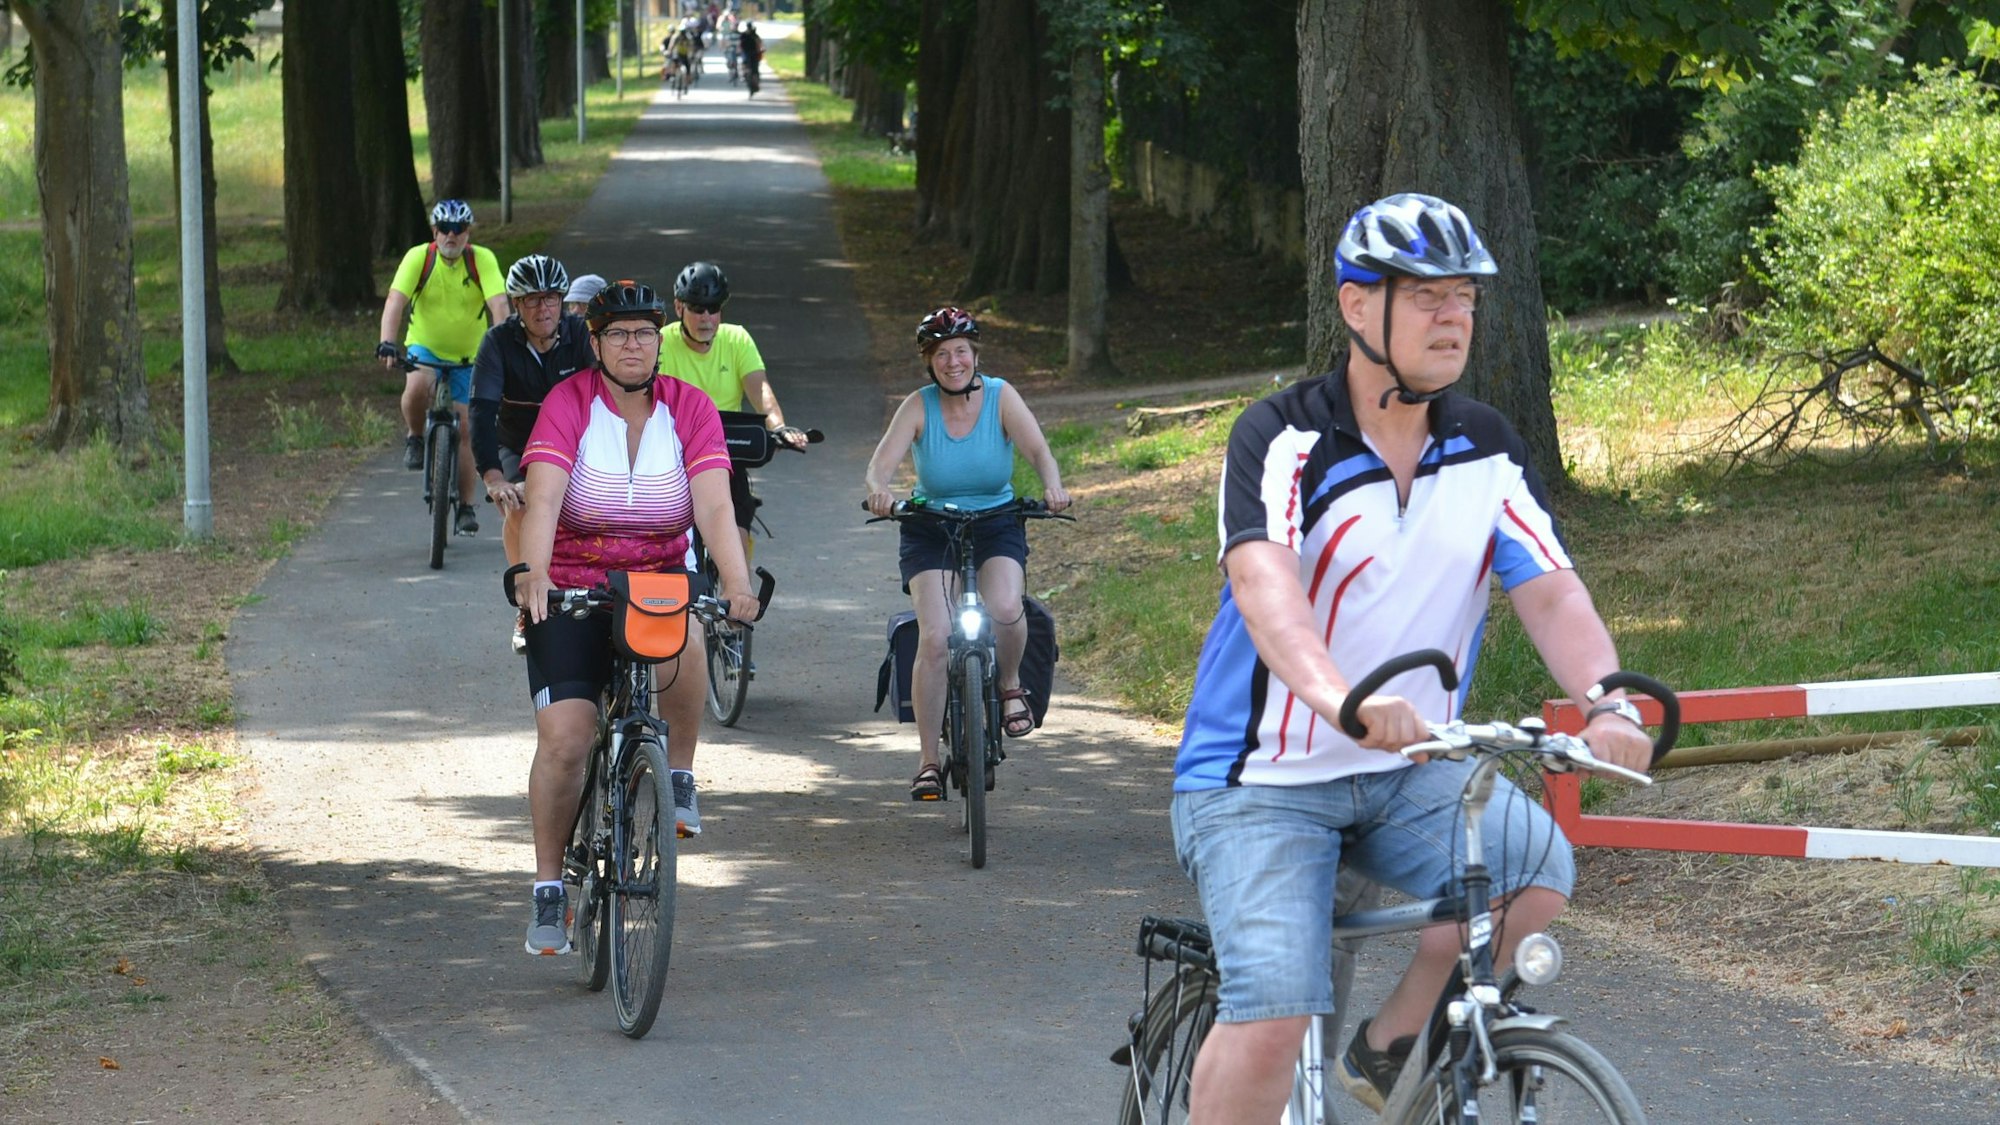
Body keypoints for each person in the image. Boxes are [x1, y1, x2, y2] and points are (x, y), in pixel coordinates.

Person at [1167, 193, 1654, 1123]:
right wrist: (1343, 700)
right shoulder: (1283, 438)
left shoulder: (1487, 448)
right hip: (1257, 779)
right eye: (1427, 295)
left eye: (1465, 296)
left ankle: (1391, 1041)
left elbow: (1552, 592)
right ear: (1357, 305)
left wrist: (1608, 701)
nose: (1453, 315)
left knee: (1534, 868)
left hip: (1408, 767)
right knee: (1274, 1014)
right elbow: (1267, 593)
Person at [513, 280, 761, 955]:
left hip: (657, 575)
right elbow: (544, 499)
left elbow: (714, 506)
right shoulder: (568, 403)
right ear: (594, 344)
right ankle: (548, 888)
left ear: (660, 342)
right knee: (567, 739)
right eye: (618, 334)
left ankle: (677, 774)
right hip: (574, 583)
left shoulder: (690, 407)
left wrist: (738, 584)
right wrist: (534, 573)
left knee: (688, 634)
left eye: (645, 334)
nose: (633, 345)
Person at [863, 307, 1071, 801]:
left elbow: (1038, 451)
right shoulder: (918, 406)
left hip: (996, 521)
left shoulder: (1001, 396)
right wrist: (880, 493)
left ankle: (1010, 685)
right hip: (931, 527)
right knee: (936, 636)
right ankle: (928, 761)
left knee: (1006, 607)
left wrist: (1053, 485)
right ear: (929, 362)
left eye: (960, 351)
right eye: (941, 354)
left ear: (975, 356)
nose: (952, 362)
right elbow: (879, 466)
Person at [658, 261, 808, 560]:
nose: (706, 317)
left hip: (725, 458)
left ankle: (737, 588)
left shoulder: (737, 339)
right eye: (697, 308)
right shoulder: (661, 342)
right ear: (678, 307)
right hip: (673, 460)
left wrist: (779, 428)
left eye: (713, 308)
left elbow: (760, 391)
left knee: (735, 547)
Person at [377, 200, 510, 536]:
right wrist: (387, 341)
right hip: (425, 347)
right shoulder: (419, 258)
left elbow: (499, 305)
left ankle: (465, 506)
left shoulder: (481, 260)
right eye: (445, 229)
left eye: (459, 229)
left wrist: (504, 349)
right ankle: (415, 437)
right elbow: (395, 300)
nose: (452, 235)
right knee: (416, 388)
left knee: (467, 428)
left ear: (468, 233)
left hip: (470, 356)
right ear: (435, 232)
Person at [470, 254, 596, 577]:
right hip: (518, 446)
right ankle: (524, 588)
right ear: (516, 304)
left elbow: (608, 396)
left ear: (562, 300)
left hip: (576, 446)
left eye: (551, 298)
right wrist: (494, 479)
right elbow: (482, 412)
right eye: (532, 300)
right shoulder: (497, 342)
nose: (544, 309)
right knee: (520, 507)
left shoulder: (581, 335)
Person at [738, 20, 762, 95]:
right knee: (750, 68)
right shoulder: (750, 35)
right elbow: (759, 43)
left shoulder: (747, 35)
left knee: (752, 68)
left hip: (751, 53)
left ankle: (752, 80)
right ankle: (746, 76)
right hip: (750, 53)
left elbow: (759, 43)